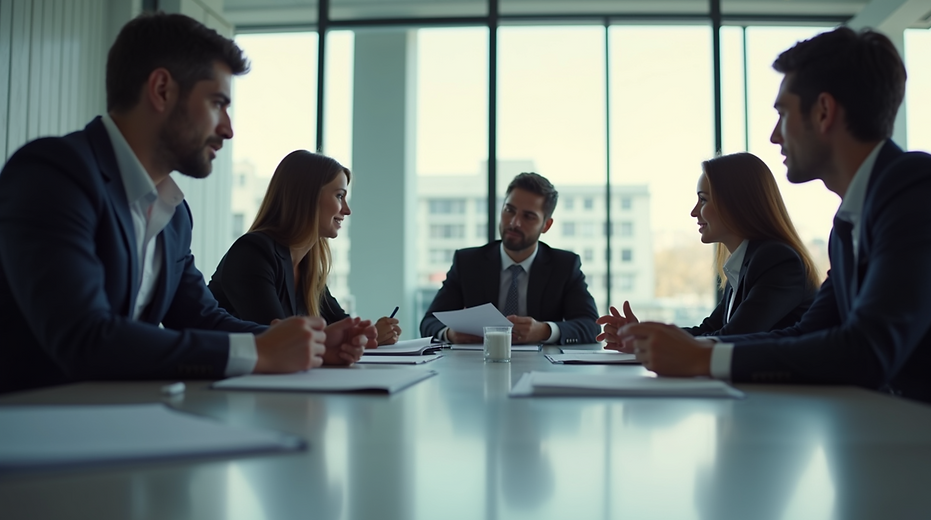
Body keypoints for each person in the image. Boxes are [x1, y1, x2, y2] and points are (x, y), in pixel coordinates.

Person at [0, 13, 375, 394]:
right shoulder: (53, 173)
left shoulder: (174, 214)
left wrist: (308, 344)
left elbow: (204, 319)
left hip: (117, 423)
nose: (228, 128)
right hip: (30, 429)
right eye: (217, 103)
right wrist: (258, 352)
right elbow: (84, 336)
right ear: (162, 90)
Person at [619, 27, 931, 415]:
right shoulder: (849, 222)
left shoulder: (921, 188)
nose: (775, 136)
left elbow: (867, 349)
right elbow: (809, 333)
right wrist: (693, 348)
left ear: (823, 112)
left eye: (783, 113)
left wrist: (704, 359)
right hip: (900, 437)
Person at [597, 152, 820, 349]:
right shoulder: (744, 264)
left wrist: (648, 338)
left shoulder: (777, 260)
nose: (694, 212)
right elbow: (710, 329)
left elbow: (734, 337)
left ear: (736, 203)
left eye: (703, 200)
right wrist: (640, 333)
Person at [208, 150, 401, 345]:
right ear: (308, 197)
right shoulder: (252, 253)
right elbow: (281, 340)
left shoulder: (307, 264)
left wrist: (368, 334)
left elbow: (343, 325)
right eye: (339, 196)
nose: (347, 210)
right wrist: (361, 337)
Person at [419, 172, 600, 345]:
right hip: (476, 366)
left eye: (528, 216)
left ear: (546, 225)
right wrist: (449, 333)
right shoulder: (468, 262)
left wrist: (544, 330)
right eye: (509, 210)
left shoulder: (564, 266)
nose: (514, 222)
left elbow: (591, 326)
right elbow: (429, 322)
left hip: (542, 369)